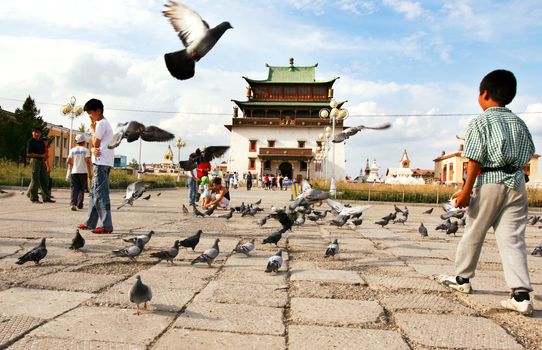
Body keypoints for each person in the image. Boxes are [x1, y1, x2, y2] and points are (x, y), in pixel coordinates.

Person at [438, 70, 535, 316]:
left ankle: (462, 279)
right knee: (513, 238)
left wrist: (465, 191)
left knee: (474, 230)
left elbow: (474, 161)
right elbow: (529, 153)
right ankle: (521, 294)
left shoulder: (480, 122)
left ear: (484, 94)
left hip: (490, 180)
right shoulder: (519, 123)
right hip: (516, 184)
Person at [78, 98, 115, 234]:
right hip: (102, 162)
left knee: (100, 194)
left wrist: (93, 129)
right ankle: (90, 223)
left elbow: (95, 143)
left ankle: (107, 225)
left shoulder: (101, 124)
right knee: (94, 193)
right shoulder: (104, 123)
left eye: (91, 113)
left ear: (98, 111)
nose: (90, 116)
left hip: (101, 163)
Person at [26, 128, 54, 203]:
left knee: (45, 179)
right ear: (32, 133)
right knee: (35, 180)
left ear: (40, 134)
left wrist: (45, 157)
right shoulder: (31, 141)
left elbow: (43, 153)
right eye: (35, 132)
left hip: (41, 161)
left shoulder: (41, 142)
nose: (37, 134)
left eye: (38, 132)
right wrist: (41, 155)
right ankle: (34, 198)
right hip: (34, 160)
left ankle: (46, 198)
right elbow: (29, 154)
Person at [67, 134, 92, 211]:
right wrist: (90, 173)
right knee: (82, 189)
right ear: (84, 142)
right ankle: (79, 204)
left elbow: (68, 161)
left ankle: (73, 203)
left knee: (74, 188)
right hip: (83, 172)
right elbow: (88, 162)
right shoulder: (86, 150)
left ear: (76, 141)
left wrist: (73, 165)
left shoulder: (72, 150)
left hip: (74, 172)